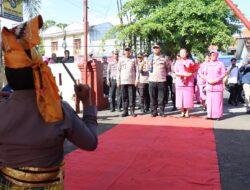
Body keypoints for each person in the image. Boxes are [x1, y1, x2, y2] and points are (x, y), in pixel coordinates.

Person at [0, 15, 98, 189]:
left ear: (8, 75)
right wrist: (88, 103)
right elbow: (90, 143)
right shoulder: (60, 111)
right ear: (42, 74)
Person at [147, 43, 169, 117]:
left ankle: (161, 111)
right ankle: (154, 112)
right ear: (152, 49)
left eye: (157, 48)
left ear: (160, 49)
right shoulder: (149, 58)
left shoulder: (164, 58)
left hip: (161, 80)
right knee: (152, 97)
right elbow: (147, 68)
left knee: (161, 97)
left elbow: (168, 68)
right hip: (152, 80)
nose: (156, 49)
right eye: (154, 48)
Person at [203, 50, 226, 120]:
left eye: (214, 54)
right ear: (210, 56)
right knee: (209, 101)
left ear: (217, 55)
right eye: (212, 55)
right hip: (209, 85)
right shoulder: (207, 64)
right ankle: (209, 115)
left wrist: (217, 80)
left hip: (217, 86)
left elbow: (223, 74)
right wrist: (208, 80)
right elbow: (204, 74)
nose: (213, 56)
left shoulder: (220, 64)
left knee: (217, 101)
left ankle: (218, 115)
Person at [174, 48, 195, 117]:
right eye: (181, 52)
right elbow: (176, 72)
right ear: (179, 54)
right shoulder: (177, 62)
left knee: (188, 97)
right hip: (180, 82)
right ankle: (182, 111)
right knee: (180, 97)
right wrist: (183, 75)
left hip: (188, 83)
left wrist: (188, 75)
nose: (182, 54)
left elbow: (193, 71)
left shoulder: (190, 62)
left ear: (187, 53)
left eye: (184, 52)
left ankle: (187, 111)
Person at [117, 47, 138, 117]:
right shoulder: (121, 59)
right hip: (123, 81)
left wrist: (136, 80)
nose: (127, 52)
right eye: (126, 51)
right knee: (124, 97)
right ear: (124, 52)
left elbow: (137, 70)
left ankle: (132, 111)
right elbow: (118, 70)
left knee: (132, 97)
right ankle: (125, 111)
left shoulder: (134, 59)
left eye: (128, 51)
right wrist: (118, 80)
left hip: (131, 81)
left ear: (130, 51)